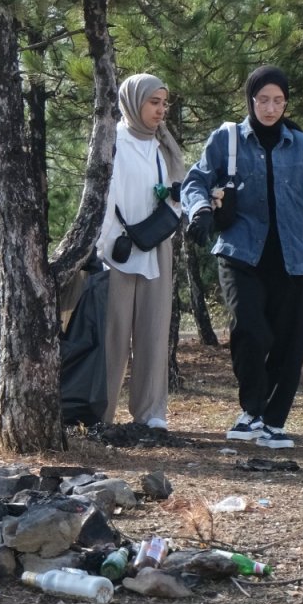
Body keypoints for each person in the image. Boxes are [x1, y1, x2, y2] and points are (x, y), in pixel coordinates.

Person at [182, 65, 303, 449]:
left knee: (290, 345)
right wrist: (200, 211)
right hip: (241, 254)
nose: (270, 108)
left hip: (294, 260)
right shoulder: (227, 139)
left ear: (286, 103)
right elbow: (195, 181)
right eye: (263, 100)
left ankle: (273, 421)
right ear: (250, 101)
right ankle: (250, 411)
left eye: (278, 101)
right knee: (250, 332)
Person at [93, 74, 186, 429]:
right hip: (114, 248)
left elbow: (176, 188)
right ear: (133, 102)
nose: (161, 110)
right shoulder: (112, 141)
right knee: (113, 334)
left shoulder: (163, 145)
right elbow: (102, 198)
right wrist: (101, 245)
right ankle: (101, 411)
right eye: (154, 102)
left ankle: (150, 413)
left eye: (164, 103)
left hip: (155, 245)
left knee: (153, 330)